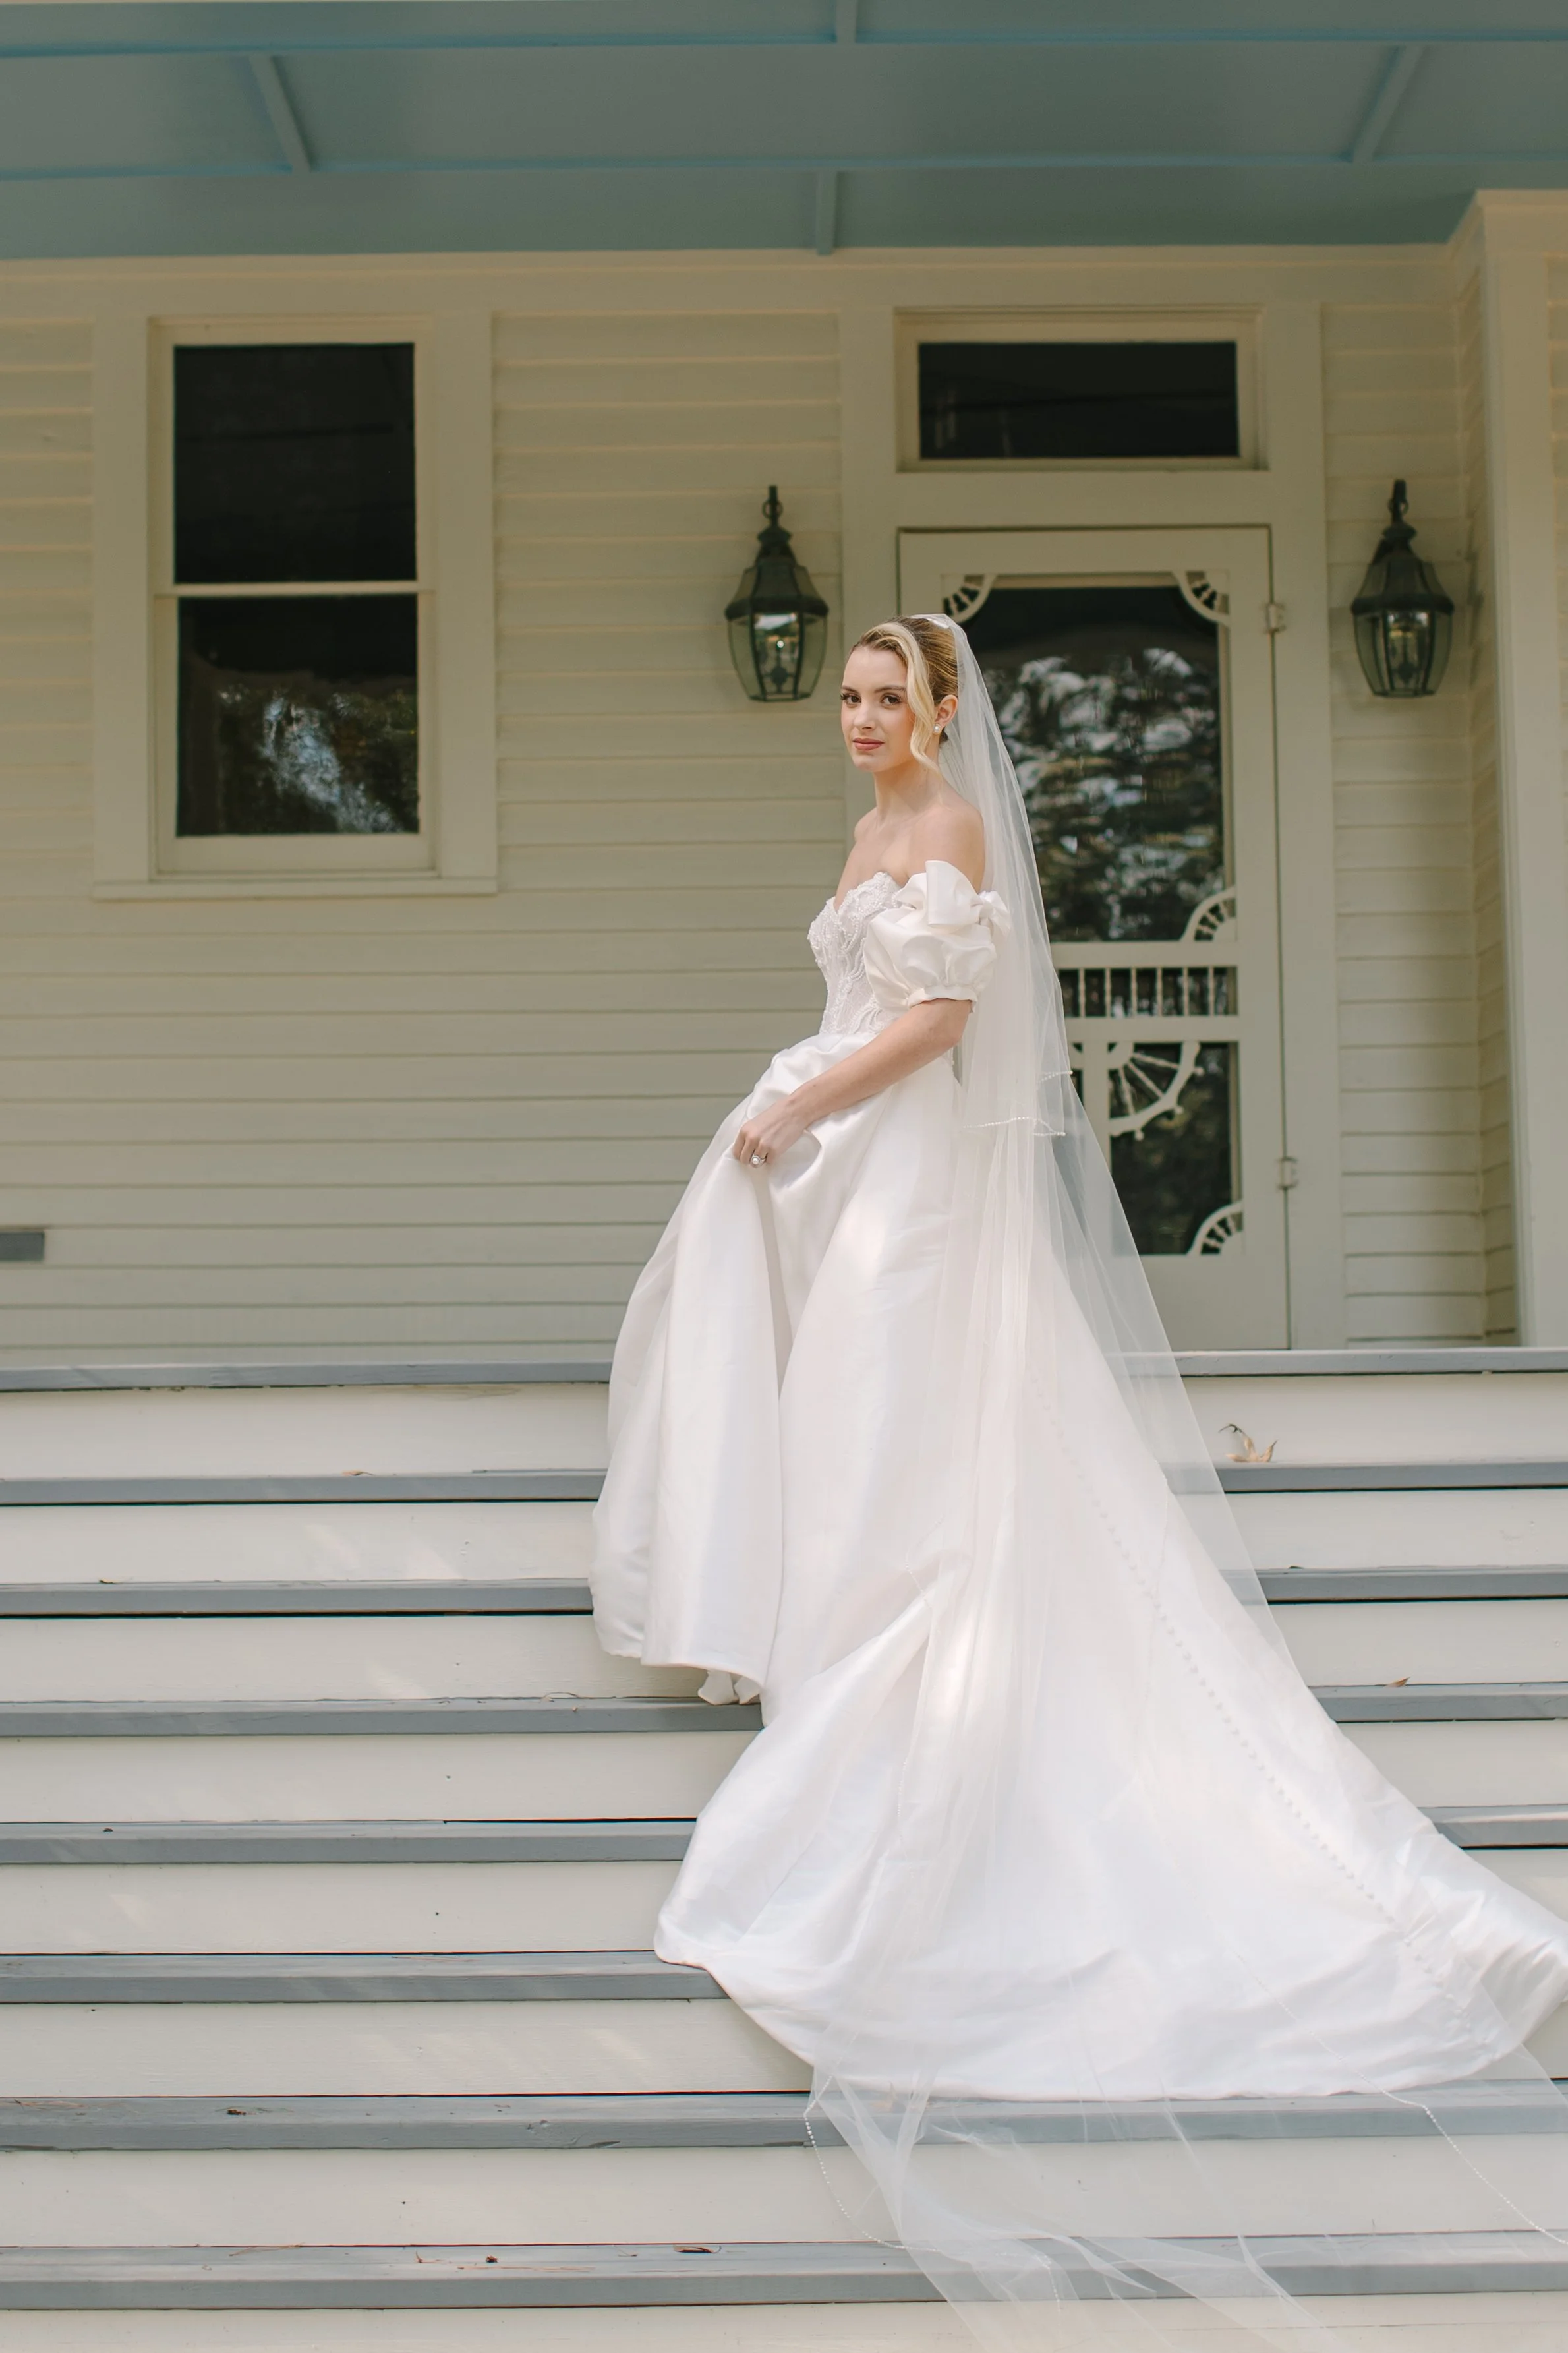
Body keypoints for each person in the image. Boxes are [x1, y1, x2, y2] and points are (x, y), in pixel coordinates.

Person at [591, 616, 1568, 2342]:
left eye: (891, 698)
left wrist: (805, 1106)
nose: (865, 719)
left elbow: (945, 1019)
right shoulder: (869, 834)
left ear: (942, 712)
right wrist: (800, 1093)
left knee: (901, 1425)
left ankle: (900, 1694)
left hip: (906, 1176)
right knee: (844, 1428)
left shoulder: (952, 830)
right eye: (850, 697)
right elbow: (856, 987)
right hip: (841, 1153)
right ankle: (843, 1641)